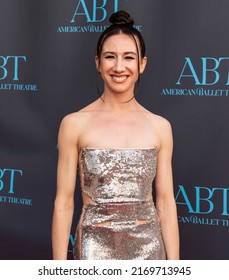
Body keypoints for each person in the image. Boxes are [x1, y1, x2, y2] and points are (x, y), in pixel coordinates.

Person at [52, 10, 179, 260]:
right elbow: (64, 204)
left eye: (129, 57)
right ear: (98, 63)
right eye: (110, 57)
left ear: (142, 64)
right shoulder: (74, 124)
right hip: (93, 250)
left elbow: (165, 203)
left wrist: (175, 268)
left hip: (149, 250)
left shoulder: (160, 127)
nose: (119, 67)